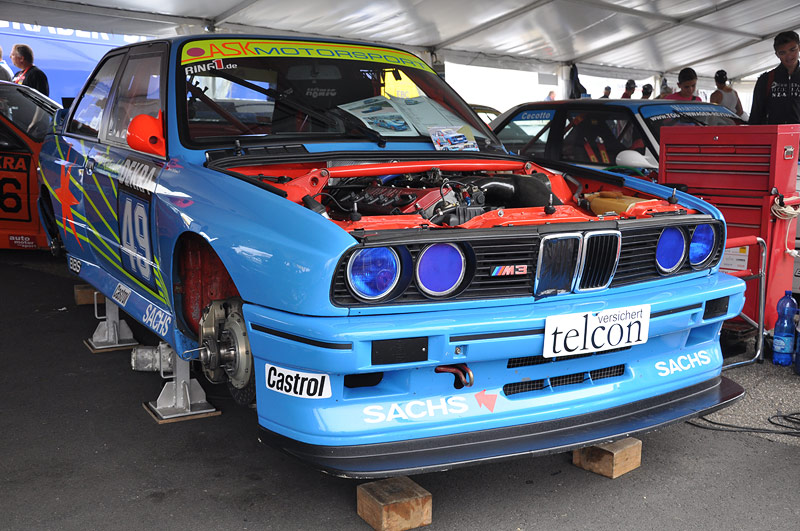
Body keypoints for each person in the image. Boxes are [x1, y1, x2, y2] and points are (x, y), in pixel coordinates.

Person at [749, 31, 800, 124]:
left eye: (792, 50)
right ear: (777, 54)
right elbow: (755, 116)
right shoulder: (766, 80)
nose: (789, 56)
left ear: (799, 47)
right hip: (772, 133)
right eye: (782, 53)